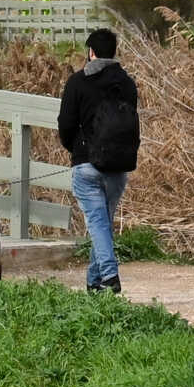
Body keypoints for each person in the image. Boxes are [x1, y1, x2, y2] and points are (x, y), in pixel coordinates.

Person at [58, 26, 140, 295]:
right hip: (118, 165)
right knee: (102, 222)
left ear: (91, 52)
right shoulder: (127, 83)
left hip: (87, 165)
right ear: (113, 53)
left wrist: (78, 150)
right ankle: (94, 284)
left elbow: (66, 124)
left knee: (97, 222)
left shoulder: (78, 82)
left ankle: (109, 275)